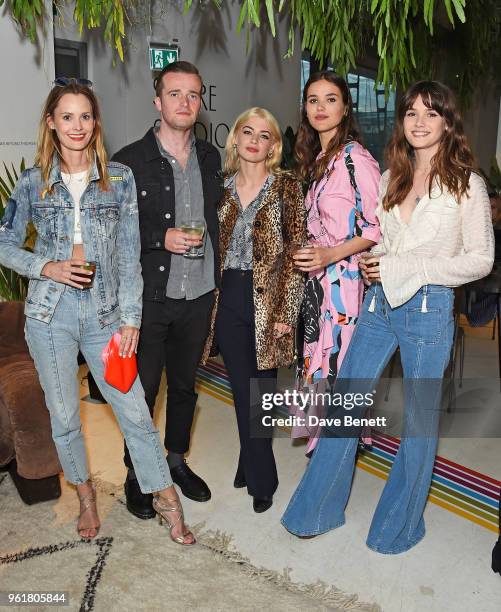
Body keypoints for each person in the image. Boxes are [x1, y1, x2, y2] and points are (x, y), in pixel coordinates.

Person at [282, 80, 494, 554]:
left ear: (447, 123)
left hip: (427, 308)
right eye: (411, 112)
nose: (419, 121)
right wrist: (373, 257)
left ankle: (398, 527)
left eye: (430, 112)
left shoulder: (467, 184)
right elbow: (381, 238)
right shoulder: (391, 176)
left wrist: (410, 267)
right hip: (378, 304)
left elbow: (481, 259)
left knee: (419, 424)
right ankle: (317, 510)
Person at [0, 79, 195, 545]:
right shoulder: (33, 181)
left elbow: (130, 257)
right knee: (65, 415)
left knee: (134, 410)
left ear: (95, 122)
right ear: (51, 122)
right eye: (67, 116)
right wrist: (45, 265)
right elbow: (4, 242)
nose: (77, 126)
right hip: (50, 316)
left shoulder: (119, 179)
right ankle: (85, 497)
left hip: (106, 313)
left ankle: (167, 499)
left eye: (85, 116)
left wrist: (131, 319)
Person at [112, 61, 222, 519]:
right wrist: (161, 238)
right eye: (175, 94)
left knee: (184, 387)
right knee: (143, 391)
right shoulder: (128, 161)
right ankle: (139, 473)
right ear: (158, 101)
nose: (185, 102)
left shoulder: (211, 158)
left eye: (193, 95)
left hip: (198, 295)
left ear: (200, 104)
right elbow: (112, 234)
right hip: (150, 298)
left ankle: (175, 461)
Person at [202, 107, 305, 513]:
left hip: (269, 303)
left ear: (273, 146)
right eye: (247, 131)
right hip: (226, 297)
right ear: (236, 138)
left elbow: (298, 251)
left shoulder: (286, 188)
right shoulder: (221, 188)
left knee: (259, 395)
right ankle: (254, 465)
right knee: (242, 391)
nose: (253, 140)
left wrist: (287, 311)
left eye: (264, 135)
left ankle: (262, 478)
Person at [290, 71, 381, 452]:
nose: (321, 107)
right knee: (319, 367)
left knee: (340, 370)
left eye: (330, 99)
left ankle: (334, 455)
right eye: (313, 100)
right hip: (318, 283)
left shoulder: (355, 159)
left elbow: (376, 227)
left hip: (346, 285)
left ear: (345, 108)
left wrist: (330, 254)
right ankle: (326, 453)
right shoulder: (319, 159)